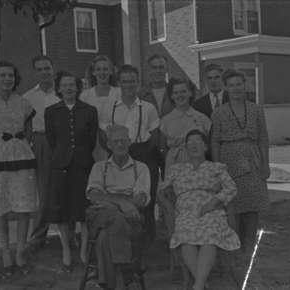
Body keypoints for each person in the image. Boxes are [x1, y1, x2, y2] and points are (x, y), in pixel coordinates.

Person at [160, 129, 240, 290]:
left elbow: (231, 188)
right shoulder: (177, 169)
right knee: (185, 236)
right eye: (190, 142)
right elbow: (161, 191)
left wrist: (214, 201)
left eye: (198, 142)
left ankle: (197, 286)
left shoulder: (216, 167)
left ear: (205, 147)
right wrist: (166, 204)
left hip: (210, 208)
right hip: (185, 210)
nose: (193, 145)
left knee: (210, 235)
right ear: (185, 148)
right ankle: (201, 284)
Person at [0, 61, 37, 277]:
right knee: (0, 207)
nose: (7, 79)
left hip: (22, 157)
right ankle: (5, 252)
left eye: (11, 75)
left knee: (24, 207)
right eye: (3, 75)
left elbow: (28, 131)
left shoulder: (24, 103)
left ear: (15, 78)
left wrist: (18, 146)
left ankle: (20, 251)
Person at [211, 69, 270, 278]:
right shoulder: (218, 112)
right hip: (229, 163)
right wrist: (218, 168)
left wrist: (265, 164)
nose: (236, 88)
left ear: (245, 85)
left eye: (239, 84)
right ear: (226, 88)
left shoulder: (256, 109)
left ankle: (248, 252)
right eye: (231, 85)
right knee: (232, 209)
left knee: (252, 209)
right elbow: (215, 141)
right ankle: (233, 255)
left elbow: (263, 138)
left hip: (252, 162)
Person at [44, 71, 98, 271]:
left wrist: (79, 156)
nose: (68, 88)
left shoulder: (89, 110)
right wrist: (64, 155)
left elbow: (91, 140)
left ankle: (84, 250)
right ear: (59, 89)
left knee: (83, 210)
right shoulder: (51, 111)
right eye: (64, 85)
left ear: (78, 88)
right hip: (60, 166)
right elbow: (52, 140)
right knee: (62, 210)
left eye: (72, 85)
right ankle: (66, 250)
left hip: (83, 165)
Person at [86, 124, 151, 290]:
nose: (120, 145)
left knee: (105, 236)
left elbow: (141, 199)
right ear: (109, 145)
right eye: (116, 141)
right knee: (115, 216)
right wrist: (123, 202)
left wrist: (109, 200)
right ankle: (128, 274)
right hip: (102, 215)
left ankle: (105, 282)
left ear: (130, 143)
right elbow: (94, 196)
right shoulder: (99, 167)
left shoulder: (141, 168)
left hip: (130, 217)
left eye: (124, 141)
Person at [100, 64, 160, 240]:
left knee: (146, 195)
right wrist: (114, 151)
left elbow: (155, 135)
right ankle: (123, 237)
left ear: (138, 82)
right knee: (121, 194)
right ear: (119, 83)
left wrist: (143, 155)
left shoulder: (148, 107)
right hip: (118, 154)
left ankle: (148, 238)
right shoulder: (110, 107)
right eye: (125, 81)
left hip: (143, 152)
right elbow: (102, 135)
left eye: (132, 81)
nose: (129, 85)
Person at [23, 55, 60, 249]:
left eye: (47, 68)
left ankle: (69, 235)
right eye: (40, 69)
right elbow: (25, 127)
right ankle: (38, 236)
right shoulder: (28, 98)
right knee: (43, 190)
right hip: (41, 141)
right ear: (35, 72)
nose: (44, 72)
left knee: (64, 187)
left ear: (53, 69)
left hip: (62, 141)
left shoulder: (63, 92)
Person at [160, 77, 211, 178]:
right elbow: (162, 148)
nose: (180, 95)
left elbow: (209, 144)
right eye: (176, 92)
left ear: (190, 93)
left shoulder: (202, 118)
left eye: (183, 91)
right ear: (172, 96)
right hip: (173, 164)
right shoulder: (165, 120)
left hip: (198, 164)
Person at [139, 54, 174, 179]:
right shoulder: (141, 95)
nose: (158, 70)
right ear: (149, 70)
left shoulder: (174, 92)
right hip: (149, 147)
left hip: (171, 147)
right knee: (149, 186)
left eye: (161, 67)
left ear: (166, 69)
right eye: (154, 67)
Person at [80, 55, 121, 161]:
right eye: (98, 69)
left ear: (111, 72)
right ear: (93, 72)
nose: (102, 73)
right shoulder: (85, 96)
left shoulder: (119, 93)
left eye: (105, 69)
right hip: (93, 142)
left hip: (115, 140)